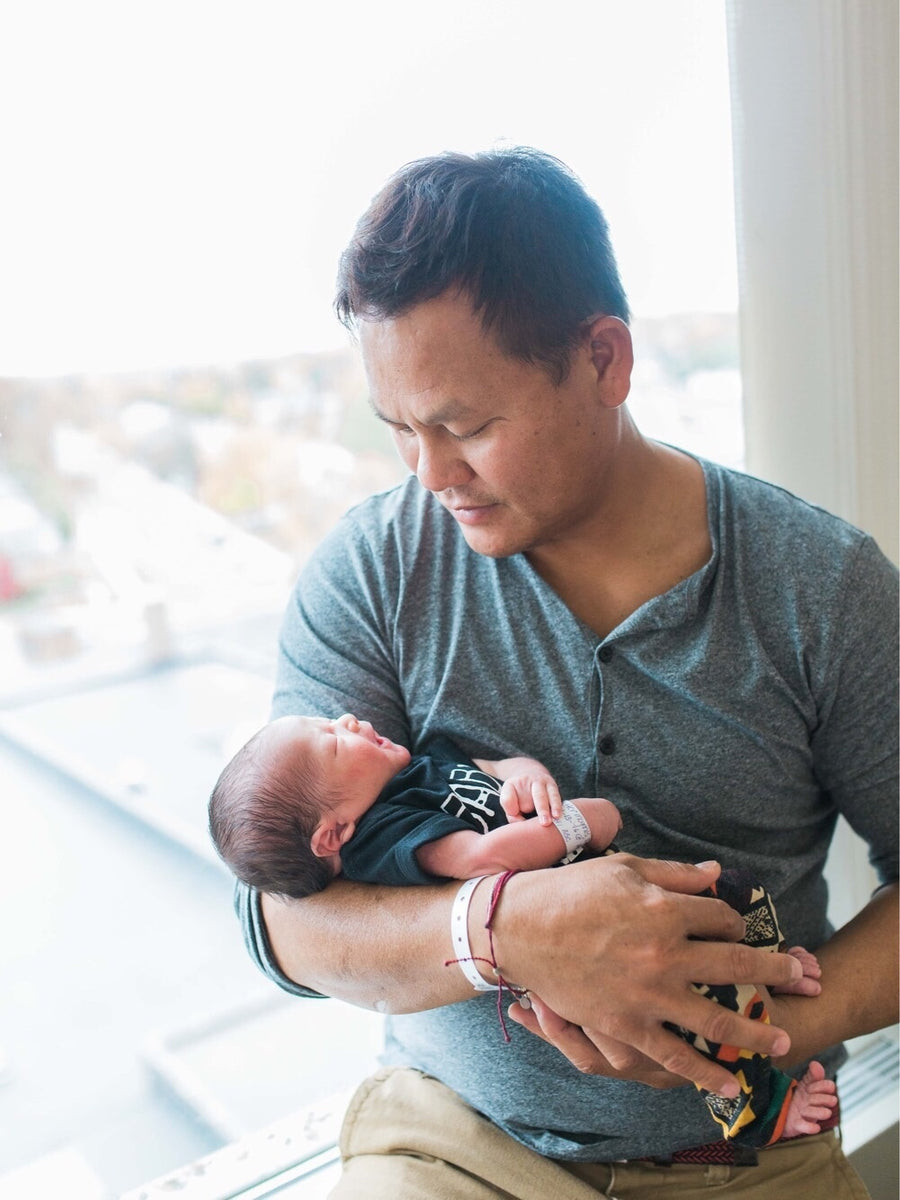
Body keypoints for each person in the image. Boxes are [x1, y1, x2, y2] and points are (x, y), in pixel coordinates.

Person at [234, 148, 898, 1197]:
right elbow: (282, 918)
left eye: (467, 426)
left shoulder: (823, 587)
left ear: (605, 360)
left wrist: (723, 1022)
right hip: (451, 1147)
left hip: (753, 1158)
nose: (432, 476)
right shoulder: (372, 570)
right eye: (401, 431)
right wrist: (502, 932)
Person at [214, 711, 837, 1148]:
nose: (347, 721)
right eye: (329, 742)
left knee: (732, 897)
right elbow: (480, 861)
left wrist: (525, 774)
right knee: (691, 1027)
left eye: (332, 720)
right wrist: (576, 825)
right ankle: (763, 1113)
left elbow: (489, 766)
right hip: (581, 936)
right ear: (332, 834)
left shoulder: (414, 770)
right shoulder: (386, 835)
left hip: (616, 891)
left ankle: (770, 965)